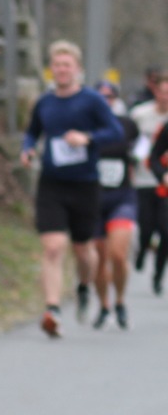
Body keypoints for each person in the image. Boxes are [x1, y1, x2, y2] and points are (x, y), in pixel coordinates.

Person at [21, 42, 124, 337]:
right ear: (51, 69)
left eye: (67, 65)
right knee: (53, 247)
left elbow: (115, 131)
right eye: (57, 65)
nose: (62, 70)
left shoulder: (92, 100)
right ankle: (52, 310)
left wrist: (87, 138)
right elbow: (32, 132)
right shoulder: (45, 102)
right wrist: (27, 149)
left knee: (83, 250)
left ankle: (83, 285)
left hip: (85, 184)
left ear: (77, 69)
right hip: (52, 184)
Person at [89, 79, 141, 329]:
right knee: (99, 258)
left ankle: (119, 300)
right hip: (93, 199)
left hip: (121, 197)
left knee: (118, 255)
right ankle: (103, 305)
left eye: (109, 97)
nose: (105, 101)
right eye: (100, 96)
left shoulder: (127, 124)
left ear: (115, 100)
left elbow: (143, 147)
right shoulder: (85, 125)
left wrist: (137, 159)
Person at [131, 70, 168, 296]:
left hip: (165, 188)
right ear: (156, 91)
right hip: (144, 180)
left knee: (165, 231)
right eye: (163, 92)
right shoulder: (140, 115)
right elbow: (134, 145)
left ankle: (158, 276)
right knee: (146, 227)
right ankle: (142, 250)